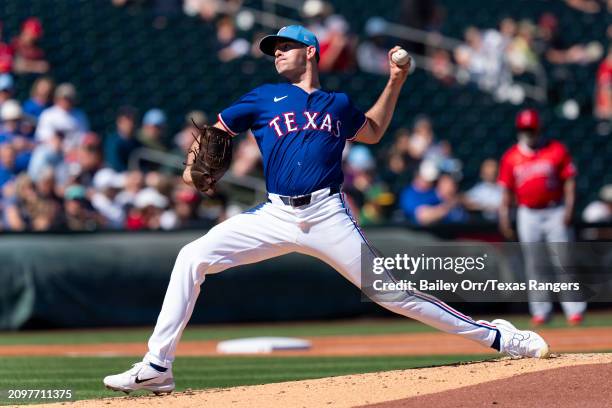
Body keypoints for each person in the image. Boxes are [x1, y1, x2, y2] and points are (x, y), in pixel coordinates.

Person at [103, 25, 549, 395]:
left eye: (285, 47)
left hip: (327, 213)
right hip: (274, 214)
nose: (276, 53)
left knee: (391, 294)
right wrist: (193, 164)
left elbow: (372, 132)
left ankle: (498, 335)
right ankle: (158, 366)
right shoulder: (263, 97)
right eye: (273, 49)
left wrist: (396, 79)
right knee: (191, 257)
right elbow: (217, 130)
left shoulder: (337, 104)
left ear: (310, 52)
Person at [498, 108, 587, 326]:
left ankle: (574, 309)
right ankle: (541, 311)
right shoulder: (511, 157)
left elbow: (569, 181)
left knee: (563, 260)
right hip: (528, 212)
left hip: (554, 210)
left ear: (539, 128)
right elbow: (506, 191)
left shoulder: (555, 149)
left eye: (531, 128)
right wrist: (504, 216)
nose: (528, 132)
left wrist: (568, 209)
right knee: (534, 264)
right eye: (524, 128)